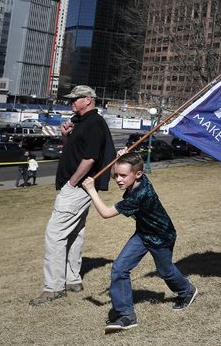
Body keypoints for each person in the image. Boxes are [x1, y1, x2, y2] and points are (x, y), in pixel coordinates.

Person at [82, 152, 198, 333]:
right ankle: (126, 316)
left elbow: (105, 213)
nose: (118, 179)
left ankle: (187, 291)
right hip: (143, 233)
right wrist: (120, 157)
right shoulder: (136, 178)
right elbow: (120, 172)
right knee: (119, 268)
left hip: (161, 236)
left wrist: (91, 190)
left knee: (165, 271)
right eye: (117, 174)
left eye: (122, 176)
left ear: (138, 175)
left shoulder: (139, 194)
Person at [29, 85, 114, 306]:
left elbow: (90, 158)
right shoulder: (80, 122)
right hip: (79, 187)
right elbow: (73, 151)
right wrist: (65, 136)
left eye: (75, 99)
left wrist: (74, 181)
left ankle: (53, 287)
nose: (71, 103)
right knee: (75, 232)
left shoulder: (94, 123)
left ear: (88, 100)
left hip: (77, 188)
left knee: (55, 234)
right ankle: (72, 280)